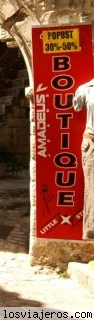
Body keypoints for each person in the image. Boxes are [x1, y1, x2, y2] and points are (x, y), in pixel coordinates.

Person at [73, 78, 94, 240]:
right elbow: (77, 107)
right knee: (92, 190)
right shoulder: (86, 88)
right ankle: (91, 234)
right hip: (92, 143)